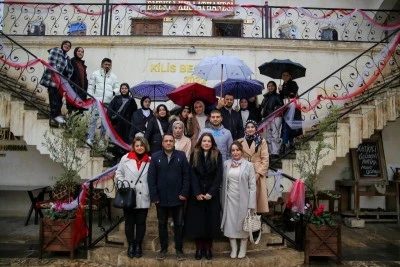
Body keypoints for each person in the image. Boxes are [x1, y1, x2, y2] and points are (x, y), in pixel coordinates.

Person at [147, 134, 190, 261]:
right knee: (162, 224)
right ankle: (163, 249)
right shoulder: (155, 157)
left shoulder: (181, 156)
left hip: (178, 197)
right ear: (162, 143)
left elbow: (186, 176)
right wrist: (154, 196)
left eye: (171, 141)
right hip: (161, 198)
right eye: (166, 141)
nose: (169, 143)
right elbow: (151, 178)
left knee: (178, 224)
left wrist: (184, 193)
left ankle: (179, 249)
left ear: (174, 143)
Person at [185, 133, 223, 260]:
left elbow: (219, 175)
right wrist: (197, 192)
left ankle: (208, 249)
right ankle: (199, 249)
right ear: (200, 142)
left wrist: (211, 193)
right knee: (198, 223)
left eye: (209, 141)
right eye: (204, 141)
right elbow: (192, 175)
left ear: (212, 143)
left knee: (210, 223)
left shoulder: (217, 155)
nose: (206, 143)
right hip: (197, 195)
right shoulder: (194, 155)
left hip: (211, 195)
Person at [115, 137, 151, 258]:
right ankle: (131, 245)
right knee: (129, 223)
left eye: (142, 145)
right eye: (137, 145)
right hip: (129, 195)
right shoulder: (125, 159)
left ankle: (138, 245)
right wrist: (124, 184)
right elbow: (118, 173)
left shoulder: (150, 160)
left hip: (143, 195)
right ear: (133, 147)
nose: (140, 147)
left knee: (141, 222)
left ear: (145, 147)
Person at [221, 141, 256, 259]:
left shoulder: (248, 165)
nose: (235, 152)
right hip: (229, 199)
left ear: (241, 151)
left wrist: (251, 204)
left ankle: (243, 248)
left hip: (244, 200)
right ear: (230, 152)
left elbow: (252, 186)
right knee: (230, 224)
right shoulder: (226, 164)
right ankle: (234, 249)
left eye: (237, 150)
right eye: (233, 150)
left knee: (243, 224)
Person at [86, 58, 119, 147]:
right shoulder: (95, 74)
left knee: (105, 122)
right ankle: (90, 139)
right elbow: (91, 86)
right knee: (93, 120)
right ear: (102, 64)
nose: (107, 66)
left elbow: (117, 87)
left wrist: (112, 93)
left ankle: (101, 140)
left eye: (109, 64)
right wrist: (90, 97)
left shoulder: (113, 76)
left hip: (107, 103)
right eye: (105, 64)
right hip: (97, 101)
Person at [237, 120, 269, 214]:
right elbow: (237, 157)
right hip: (244, 169)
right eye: (248, 127)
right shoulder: (240, 141)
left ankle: (255, 223)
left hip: (257, 169)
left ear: (256, 128)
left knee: (257, 196)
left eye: (252, 127)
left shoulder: (261, 141)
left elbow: (265, 159)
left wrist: (258, 173)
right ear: (245, 129)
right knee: (244, 194)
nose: (250, 129)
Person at [40, 40, 74, 124]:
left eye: (69, 46)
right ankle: (53, 115)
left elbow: (68, 69)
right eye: (65, 44)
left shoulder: (67, 57)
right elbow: (52, 63)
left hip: (61, 81)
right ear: (62, 44)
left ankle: (57, 114)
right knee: (53, 97)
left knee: (59, 97)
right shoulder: (55, 50)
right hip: (53, 78)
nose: (67, 46)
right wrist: (57, 75)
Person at [107, 83, 138, 159]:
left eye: (126, 88)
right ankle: (115, 156)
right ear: (120, 90)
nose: (124, 90)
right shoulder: (116, 98)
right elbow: (110, 109)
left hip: (127, 124)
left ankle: (124, 155)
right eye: (122, 88)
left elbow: (135, 112)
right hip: (117, 124)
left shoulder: (132, 100)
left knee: (125, 139)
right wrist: (112, 118)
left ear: (128, 90)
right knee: (116, 139)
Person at [278, 71, 303, 154]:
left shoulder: (293, 84)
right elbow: (282, 97)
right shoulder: (282, 85)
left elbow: (292, 94)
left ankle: (284, 144)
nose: (285, 76)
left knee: (289, 126)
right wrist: (280, 90)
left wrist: (282, 90)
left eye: (287, 75)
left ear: (290, 76)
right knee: (286, 125)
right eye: (283, 75)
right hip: (285, 108)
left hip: (293, 108)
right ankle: (290, 143)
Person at [260, 81, 284, 158]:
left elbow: (281, 105)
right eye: (269, 86)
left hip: (276, 117)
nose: (270, 87)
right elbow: (262, 106)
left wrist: (275, 109)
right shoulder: (265, 97)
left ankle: (275, 151)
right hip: (267, 117)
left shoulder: (278, 96)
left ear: (275, 87)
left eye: (272, 86)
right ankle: (270, 152)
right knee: (268, 135)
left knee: (275, 133)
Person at [67, 46, 88, 115]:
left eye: (82, 52)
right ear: (75, 52)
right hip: (73, 89)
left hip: (82, 91)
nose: (80, 53)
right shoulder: (71, 62)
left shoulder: (82, 64)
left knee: (79, 112)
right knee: (73, 110)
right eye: (79, 51)